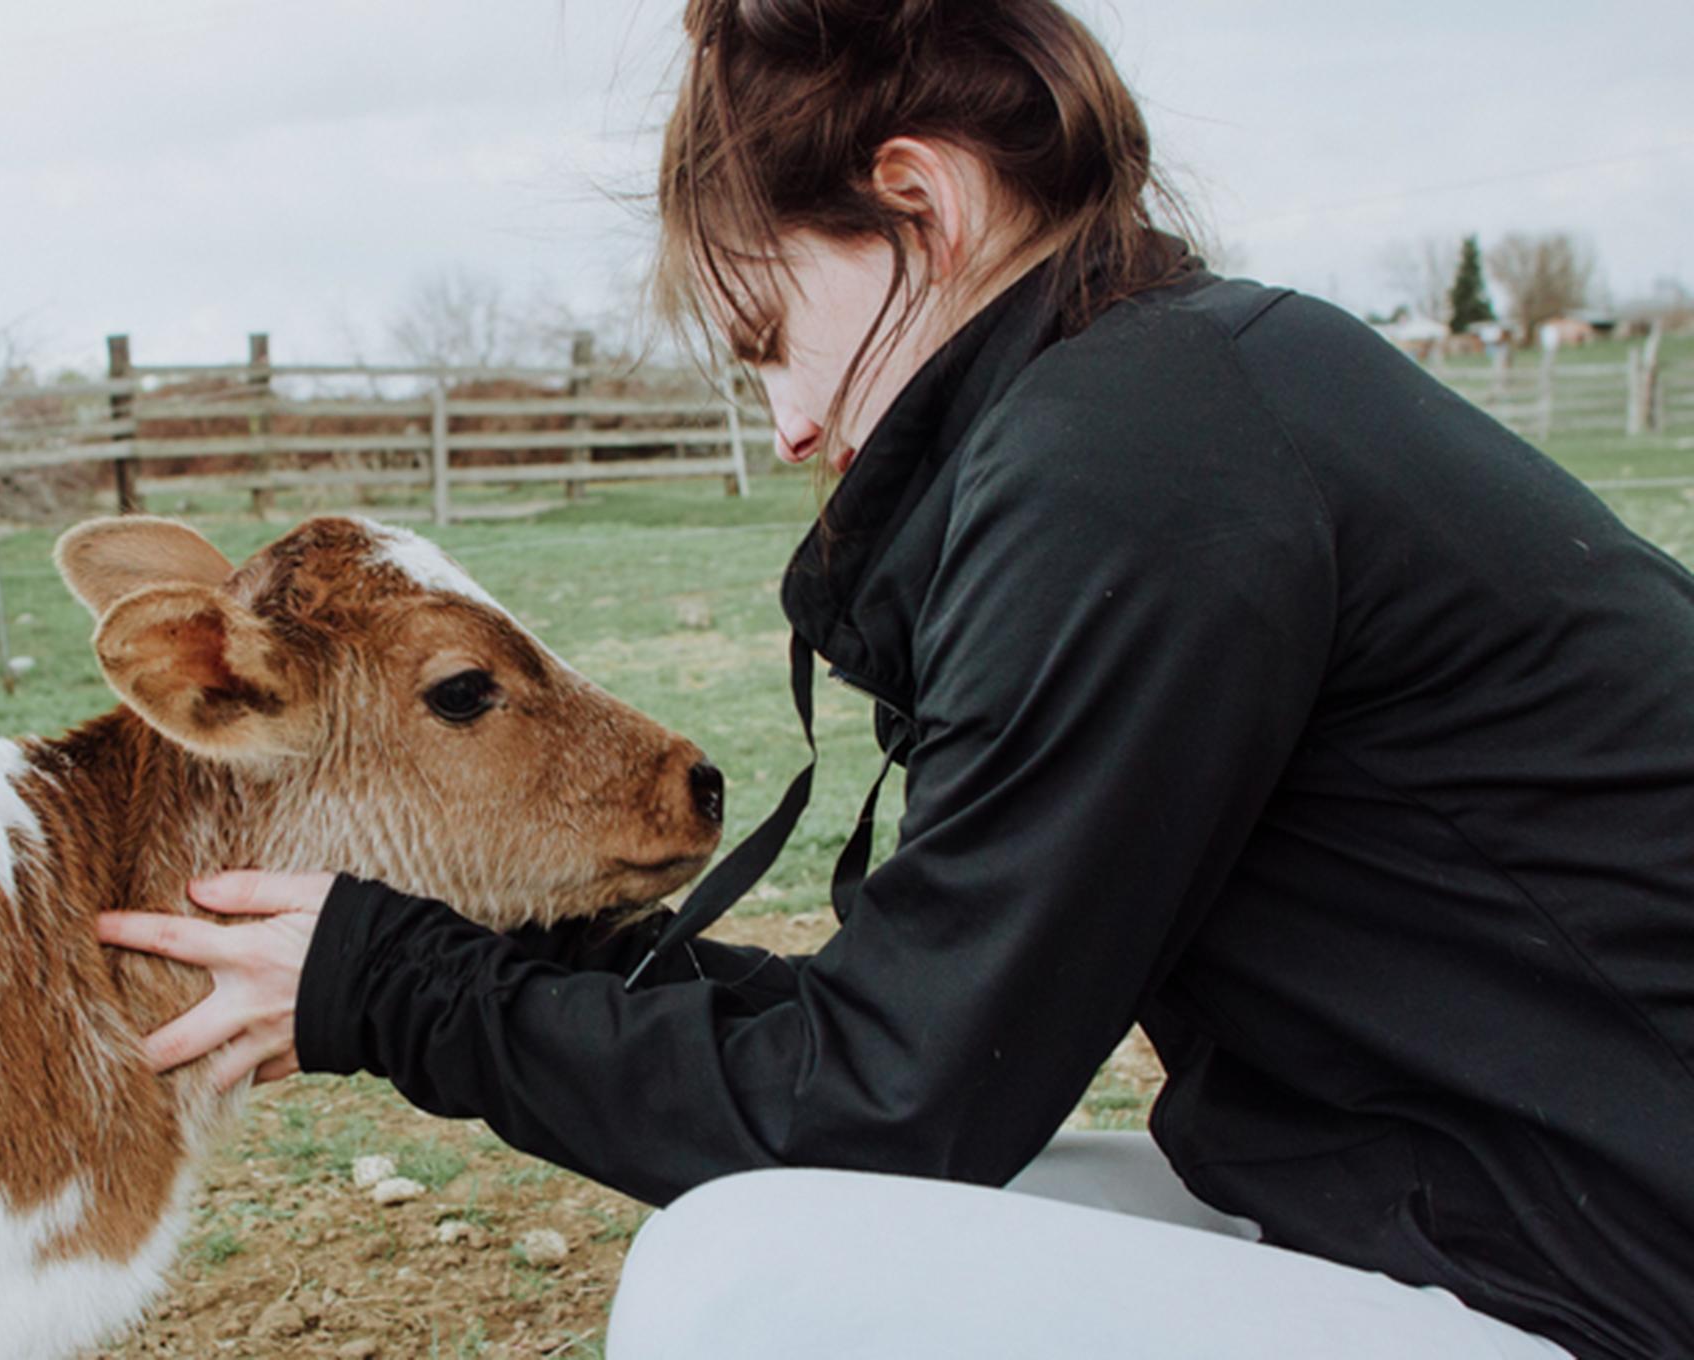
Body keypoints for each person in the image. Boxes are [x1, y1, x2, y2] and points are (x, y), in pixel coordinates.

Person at [96, 2, 1694, 1355]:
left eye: (768, 331)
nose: (791, 424)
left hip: (1615, 1262)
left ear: (917, 207)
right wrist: (470, 951)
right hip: (1505, 1187)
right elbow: (914, 1042)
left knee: (751, 1285)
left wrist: (402, 992)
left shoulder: (1131, 467)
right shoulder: (1175, 396)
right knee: (795, 1224)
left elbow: (882, 1105)